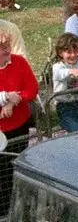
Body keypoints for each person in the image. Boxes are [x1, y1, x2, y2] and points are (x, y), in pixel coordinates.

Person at [0, 32, 37, 204]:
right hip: (1, 131)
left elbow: (32, 88)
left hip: (19, 125)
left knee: (17, 164)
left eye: (7, 46)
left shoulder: (19, 62)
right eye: (1, 48)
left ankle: (22, 203)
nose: (6, 51)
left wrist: (15, 100)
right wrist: (8, 97)